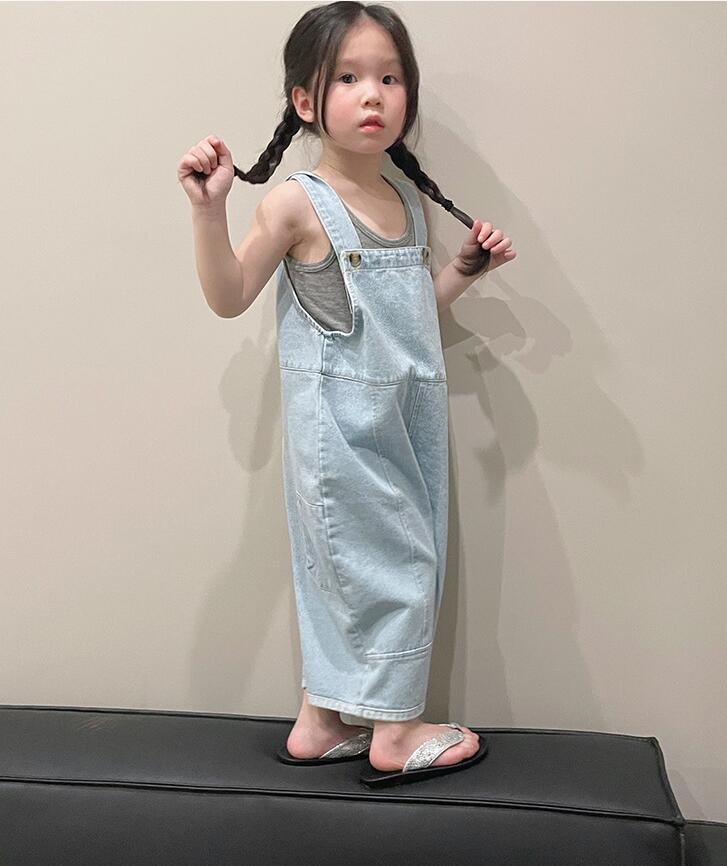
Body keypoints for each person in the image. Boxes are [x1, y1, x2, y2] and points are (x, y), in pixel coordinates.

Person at [177, 1, 516, 788]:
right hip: (341, 425)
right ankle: (393, 731)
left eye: (390, 79)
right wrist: (208, 209)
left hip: (404, 415)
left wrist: (462, 271)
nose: (374, 95)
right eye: (350, 78)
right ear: (305, 100)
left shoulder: (404, 203)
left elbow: (404, 322)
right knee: (395, 563)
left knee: (357, 564)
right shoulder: (297, 202)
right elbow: (229, 295)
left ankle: (321, 722)